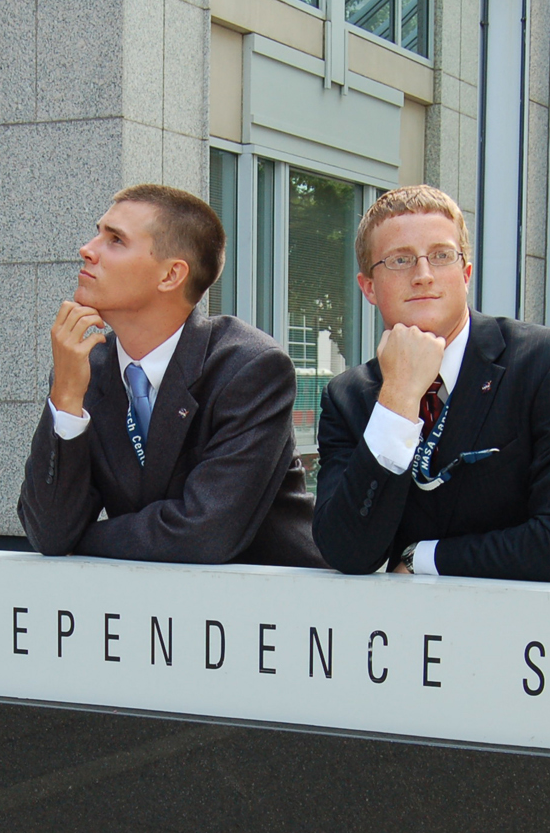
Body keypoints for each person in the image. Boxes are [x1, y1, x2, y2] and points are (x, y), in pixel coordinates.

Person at [311, 185, 550, 581]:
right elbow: (347, 551)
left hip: (520, 635)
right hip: (399, 638)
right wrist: (399, 398)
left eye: (441, 256)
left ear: (465, 273)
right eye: (400, 260)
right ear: (368, 286)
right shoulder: (348, 398)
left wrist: (423, 558)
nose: (423, 275)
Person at [18, 185, 324, 567]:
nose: (88, 248)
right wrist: (65, 399)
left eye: (115, 240)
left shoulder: (250, 368)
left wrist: (78, 541)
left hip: (276, 608)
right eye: (98, 232)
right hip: (159, 612)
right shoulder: (86, 370)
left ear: (171, 275)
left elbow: (204, 534)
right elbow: (48, 531)